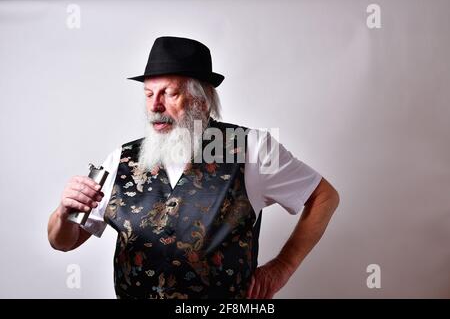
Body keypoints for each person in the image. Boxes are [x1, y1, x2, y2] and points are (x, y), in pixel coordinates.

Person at [47, 36, 340, 299]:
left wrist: (282, 268)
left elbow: (324, 196)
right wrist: (63, 212)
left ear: (202, 99)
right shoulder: (121, 158)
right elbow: (63, 242)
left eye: (169, 93)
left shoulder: (252, 147)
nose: (155, 106)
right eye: (149, 94)